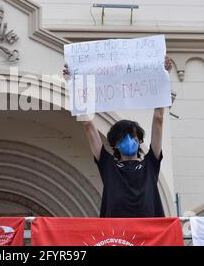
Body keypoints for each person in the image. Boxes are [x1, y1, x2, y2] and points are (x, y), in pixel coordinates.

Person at [63, 57, 173, 218]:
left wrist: (164, 77)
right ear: (114, 144)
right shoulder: (108, 165)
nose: (129, 140)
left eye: (133, 136)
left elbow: (159, 119)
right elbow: (87, 125)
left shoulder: (151, 163)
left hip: (150, 234)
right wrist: (72, 85)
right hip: (116, 234)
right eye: (123, 138)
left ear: (139, 141)